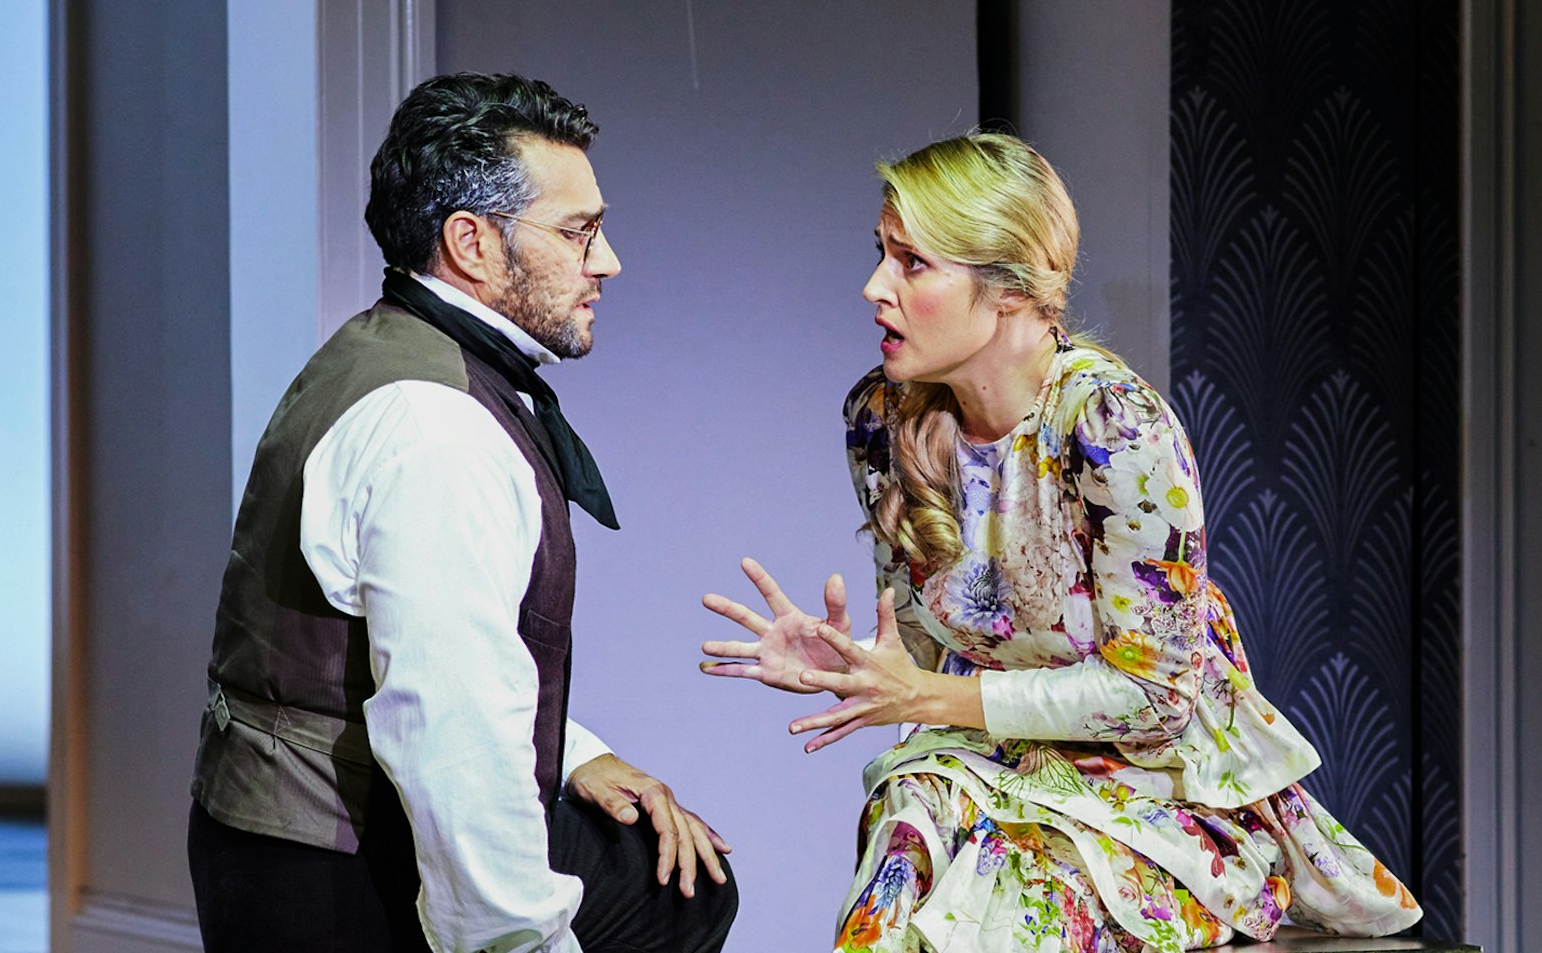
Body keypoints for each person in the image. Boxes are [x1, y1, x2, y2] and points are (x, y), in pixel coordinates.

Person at [700, 133, 1419, 952]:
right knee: (900, 865)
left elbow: (1154, 698)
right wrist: (857, 663)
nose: (874, 287)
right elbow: (930, 664)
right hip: (985, 769)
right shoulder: (884, 422)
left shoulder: (1111, 425)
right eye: (881, 254)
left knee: (1003, 909)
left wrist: (934, 702)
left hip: (1150, 794)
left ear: (1006, 289)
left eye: (912, 262)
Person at [188, 71, 736, 952]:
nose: (608, 261)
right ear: (471, 244)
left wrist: (575, 752)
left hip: (260, 839)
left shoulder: (383, 348)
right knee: (673, 895)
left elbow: (425, 658)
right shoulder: (437, 427)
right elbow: (449, 737)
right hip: (326, 876)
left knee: (675, 884)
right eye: (578, 232)